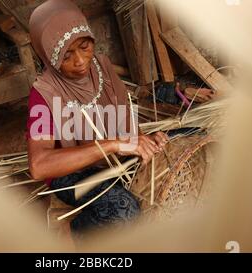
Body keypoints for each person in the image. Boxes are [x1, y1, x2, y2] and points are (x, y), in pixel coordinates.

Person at [26, 0, 168, 239]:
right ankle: (76, 234)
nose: (80, 61)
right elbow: (39, 166)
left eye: (84, 47)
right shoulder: (43, 94)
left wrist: (144, 140)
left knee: (184, 137)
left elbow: (125, 121)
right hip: (73, 173)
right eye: (66, 55)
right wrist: (112, 144)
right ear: (48, 55)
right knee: (124, 211)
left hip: (115, 160)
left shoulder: (102, 67)